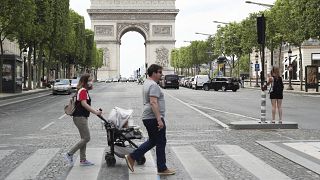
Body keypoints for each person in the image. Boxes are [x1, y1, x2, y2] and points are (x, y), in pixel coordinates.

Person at [124, 64, 175, 176]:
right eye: (160, 72)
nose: (162, 74)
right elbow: (153, 102)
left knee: (153, 141)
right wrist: (159, 119)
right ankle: (161, 168)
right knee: (161, 141)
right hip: (153, 117)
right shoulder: (153, 85)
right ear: (154, 73)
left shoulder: (147, 83)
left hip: (148, 117)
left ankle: (132, 157)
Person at [64, 73, 102, 166]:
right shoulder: (83, 91)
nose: (91, 82)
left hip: (81, 117)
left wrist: (94, 111)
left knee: (83, 138)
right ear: (85, 81)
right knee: (86, 138)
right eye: (90, 80)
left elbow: (84, 105)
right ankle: (69, 154)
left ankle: (83, 160)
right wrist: (95, 112)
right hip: (80, 117)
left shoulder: (82, 90)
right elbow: (84, 104)